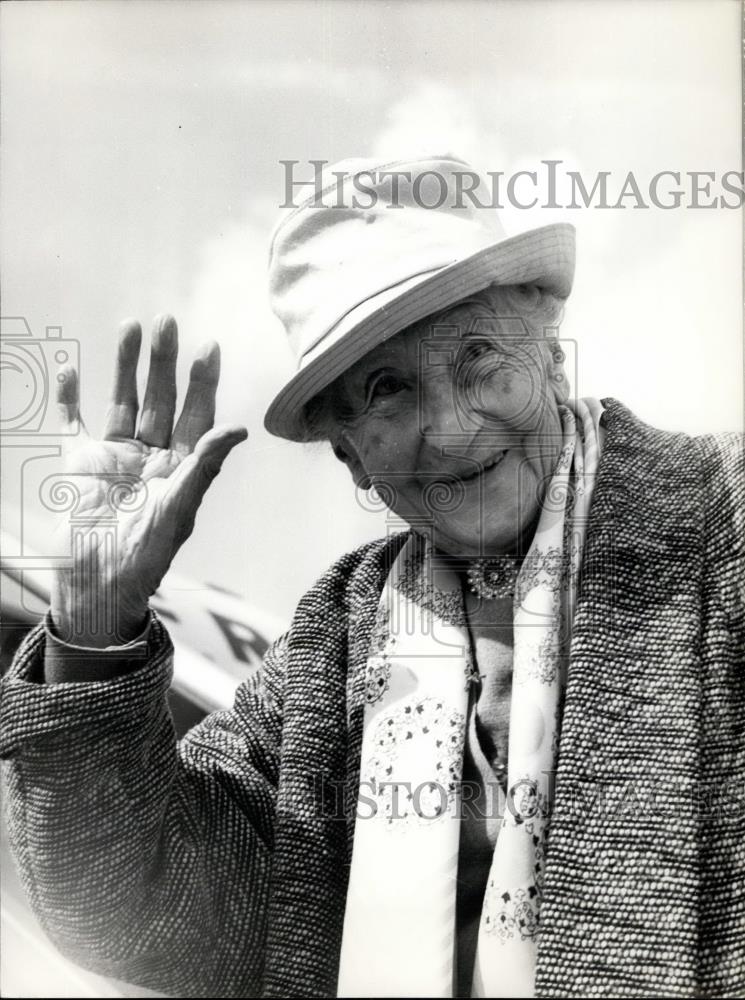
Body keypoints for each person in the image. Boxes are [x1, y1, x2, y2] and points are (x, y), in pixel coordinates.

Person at [1, 154, 743, 999]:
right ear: (348, 454)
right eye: (387, 390)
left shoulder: (726, 522)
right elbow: (141, 914)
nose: (453, 429)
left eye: (479, 359)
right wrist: (95, 629)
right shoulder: (335, 638)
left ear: (551, 358)